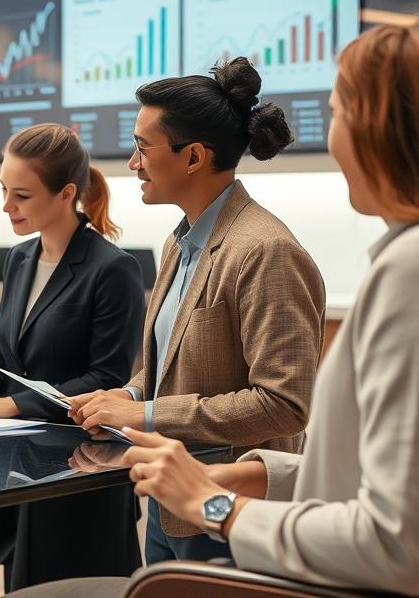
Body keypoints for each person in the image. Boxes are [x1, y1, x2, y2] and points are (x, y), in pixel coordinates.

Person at [18, 17, 419, 598]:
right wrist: (257, 475)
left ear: (381, 131)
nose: (332, 139)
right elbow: (408, 482)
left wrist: (212, 505)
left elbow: (396, 545)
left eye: (338, 114)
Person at [68, 57, 325, 564]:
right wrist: (126, 393)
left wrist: (142, 413)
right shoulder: (178, 243)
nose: (132, 163)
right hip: (171, 503)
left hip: (230, 509)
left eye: (143, 148)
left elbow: (284, 404)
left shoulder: (265, 251)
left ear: (193, 158)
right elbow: (174, 367)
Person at [0, 123, 147, 597]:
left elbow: (107, 378)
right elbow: (4, 359)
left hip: (75, 468)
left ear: (66, 194)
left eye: (20, 194)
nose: (6, 206)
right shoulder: (19, 259)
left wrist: (12, 406)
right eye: (3, 190)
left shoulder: (113, 269)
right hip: (6, 462)